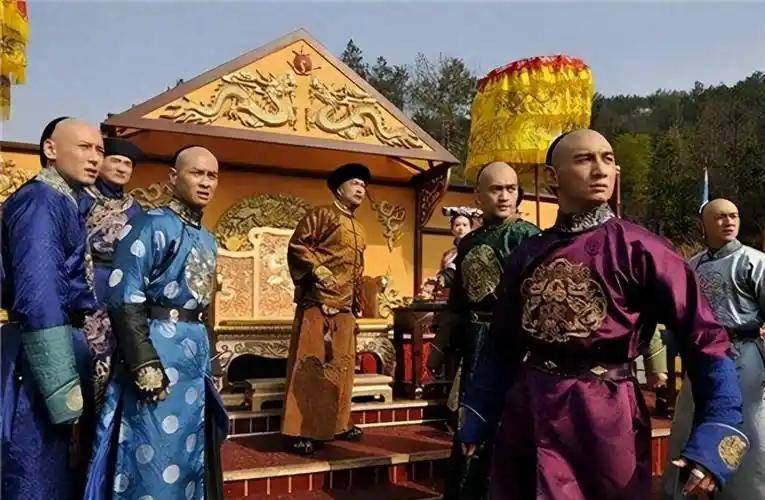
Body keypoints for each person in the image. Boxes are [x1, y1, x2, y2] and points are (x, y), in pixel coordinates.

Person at [459, 129, 748, 500]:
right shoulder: (527, 254)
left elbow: (704, 336)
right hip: (528, 409)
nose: (601, 170)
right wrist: (479, 411)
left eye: (608, 159)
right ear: (552, 177)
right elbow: (501, 345)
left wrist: (719, 424)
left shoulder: (644, 249)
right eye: (584, 159)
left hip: (605, 416)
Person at [86, 146, 228, 499]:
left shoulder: (208, 238)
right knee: (153, 451)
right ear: (174, 177)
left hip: (194, 358)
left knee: (190, 453)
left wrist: (212, 363)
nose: (206, 182)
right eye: (196, 173)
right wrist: (145, 366)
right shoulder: (150, 224)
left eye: (212, 175)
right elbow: (124, 297)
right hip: (158, 354)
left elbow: (206, 308)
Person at [1, 117, 102, 499]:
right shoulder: (41, 201)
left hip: (62, 342)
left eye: (99, 150)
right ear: (50, 149)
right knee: (35, 470)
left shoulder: (66, 200)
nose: (94, 158)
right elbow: (39, 293)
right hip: (40, 350)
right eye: (84, 147)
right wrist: (61, 385)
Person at [427, 162, 539, 499]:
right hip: (475, 342)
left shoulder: (529, 237)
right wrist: (440, 346)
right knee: (470, 420)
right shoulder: (469, 242)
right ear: (478, 196)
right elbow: (457, 303)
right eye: (496, 189)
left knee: (510, 422)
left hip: (515, 344)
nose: (504, 196)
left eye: (511, 189)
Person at [662, 198, 765, 500]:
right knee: (687, 420)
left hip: (743, 352)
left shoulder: (754, 262)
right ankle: (681, 490)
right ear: (704, 224)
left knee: (749, 425)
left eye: (733, 215)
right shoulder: (692, 266)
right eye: (720, 217)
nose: (729, 222)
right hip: (702, 355)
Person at [281, 163, 369, 455]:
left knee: (342, 367)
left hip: (346, 307)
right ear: (339, 188)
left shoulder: (359, 228)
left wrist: (357, 303)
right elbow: (298, 246)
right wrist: (318, 270)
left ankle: (338, 424)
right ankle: (300, 431)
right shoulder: (322, 214)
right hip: (318, 303)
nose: (360, 189)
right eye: (355, 183)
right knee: (311, 365)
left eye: (363, 185)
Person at [78, 137, 144, 431]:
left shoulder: (135, 209)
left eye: (127, 164)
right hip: (88, 288)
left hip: (122, 292)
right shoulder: (81, 199)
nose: (121, 168)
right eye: (115, 160)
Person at [435, 206, 482, 299]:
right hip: (450, 297)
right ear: (452, 230)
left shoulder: (476, 251)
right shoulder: (448, 255)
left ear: (471, 229)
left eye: (465, 225)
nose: (461, 228)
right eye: (457, 225)